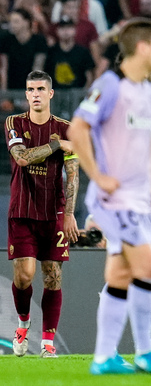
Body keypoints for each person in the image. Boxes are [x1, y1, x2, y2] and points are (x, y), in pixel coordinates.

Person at [68, 18, 151, 374]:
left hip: (138, 200)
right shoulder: (110, 85)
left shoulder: (150, 92)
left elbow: (143, 150)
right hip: (113, 201)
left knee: (121, 276)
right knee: (147, 267)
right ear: (142, 48)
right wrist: (97, 174)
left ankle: (103, 357)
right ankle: (145, 352)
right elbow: (77, 128)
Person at [5, 70, 80, 358]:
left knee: (53, 275)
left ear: (50, 94)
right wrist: (56, 145)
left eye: (40, 89)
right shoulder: (14, 122)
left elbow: (72, 173)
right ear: (26, 94)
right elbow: (22, 158)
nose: (34, 94)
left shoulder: (67, 128)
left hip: (54, 210)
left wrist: (70, 214)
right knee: (24, 276)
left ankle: (47, 342)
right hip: (22, 210)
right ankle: (23, 324)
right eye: (30, 89)